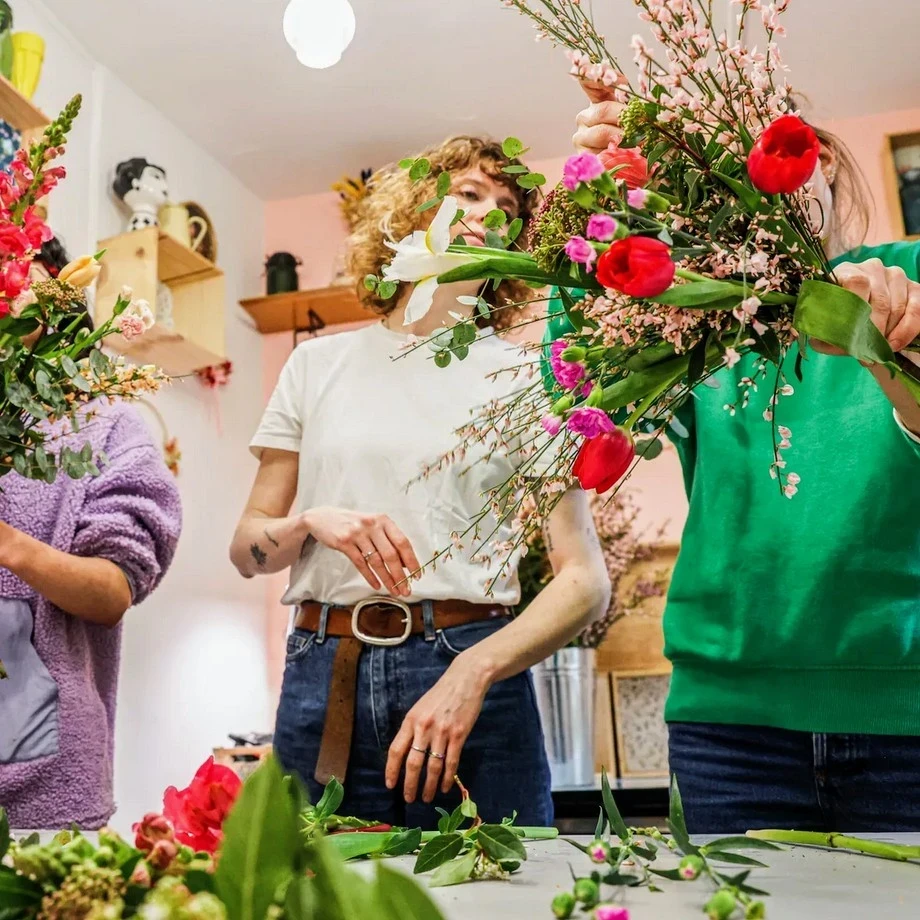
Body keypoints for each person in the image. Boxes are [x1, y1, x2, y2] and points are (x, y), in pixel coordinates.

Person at [565, 85, 920, 833]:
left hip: (906, 714)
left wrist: (885, 346)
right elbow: (576, 384)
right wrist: (611, 211)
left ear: (819, 164)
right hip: (729, 731)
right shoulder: (699, 321)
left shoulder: (905, 275)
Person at [231, 136, 611, 828]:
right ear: (410, 211)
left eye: (506, 207)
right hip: (326, 679)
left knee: (505, 900)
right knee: (321, 900)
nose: (489, 215)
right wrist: (308, 522)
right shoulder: (316, 367)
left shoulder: (528, 379)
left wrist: (474, 672)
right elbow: (247, 544)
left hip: (475, 679)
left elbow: (586, 581)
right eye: (468, 194)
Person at [0, 237, 182, 829]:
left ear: (62, 297)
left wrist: (9, 543)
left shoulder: (107, 426)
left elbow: (111, 593)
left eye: (14, 270)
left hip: (42, 782)